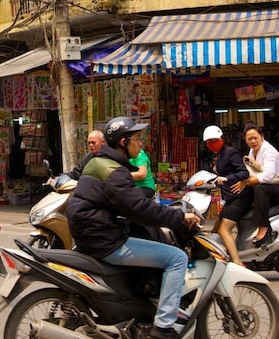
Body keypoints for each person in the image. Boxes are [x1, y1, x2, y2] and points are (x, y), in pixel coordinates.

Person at [66, 117, 201, 339]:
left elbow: (124, 204)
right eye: (137, 139)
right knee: (176, 258)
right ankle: (163, 327)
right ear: (122, 142)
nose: (140, 144)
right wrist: (179, 217)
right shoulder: (114, 171)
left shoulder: (97, 161)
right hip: (105, 239)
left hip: (91, 234)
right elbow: (140, 208)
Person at [230, 122, 279, 246]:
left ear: (262, 137)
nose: (253, 141)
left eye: (255, 138)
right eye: (249, 139)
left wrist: (246, 182)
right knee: (249, 190)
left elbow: (267, 176)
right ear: (245, 140)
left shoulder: (268, 151)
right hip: (274, 187)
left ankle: (264, 227)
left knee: (259, 188)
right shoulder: (252, 152)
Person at [203, 125, 251, 265]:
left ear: (221, 139)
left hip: (240, 196)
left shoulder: (230, 152)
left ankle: (237, 262)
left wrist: (227, 179)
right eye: (209, 141)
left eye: (215, 140)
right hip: (230, 197)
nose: (212, 143)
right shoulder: (216, 155)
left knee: (224, 230)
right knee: (215, 230)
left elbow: (244, 173)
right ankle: (222, 258)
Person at [127, 129, 158, 200]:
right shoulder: (124, 155)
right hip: (132, 187)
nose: (140, 143)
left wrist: (121, 174)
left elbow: (142, 174)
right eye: (137, 139)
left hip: (146, 188)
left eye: (139, 139)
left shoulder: (140, 155)